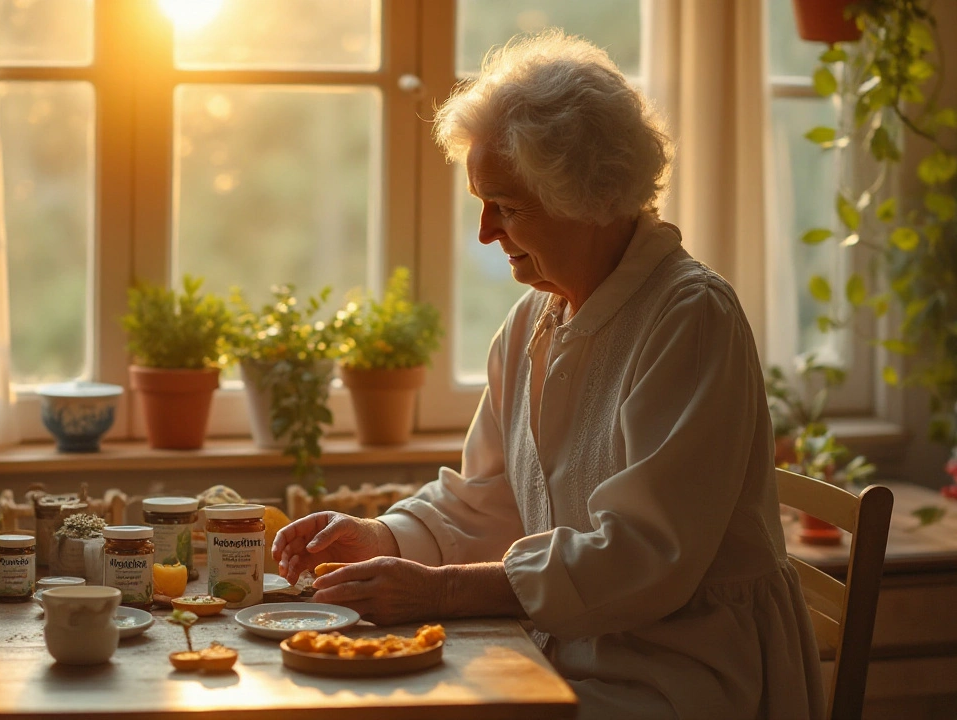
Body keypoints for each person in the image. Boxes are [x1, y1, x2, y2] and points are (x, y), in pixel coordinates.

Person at [273, 30, 824, 720]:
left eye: (504, 205)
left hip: (682, 672)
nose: (483, 232)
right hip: (570, 652)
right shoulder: (538, 317)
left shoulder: (689, 316)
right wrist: (382, 537)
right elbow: (489, 498)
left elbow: (645, 556)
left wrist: (441, 589)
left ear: (585, 195)